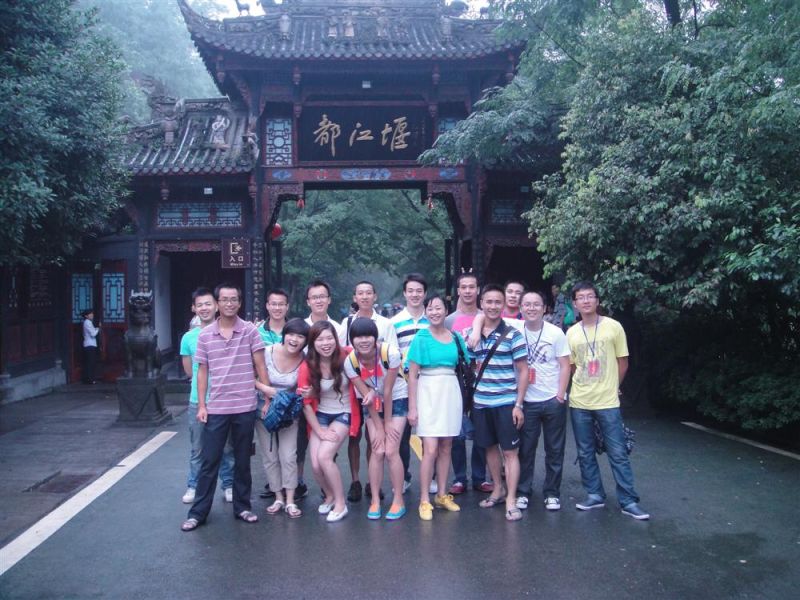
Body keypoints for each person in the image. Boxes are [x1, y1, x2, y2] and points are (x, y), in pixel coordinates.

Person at [181, 283, 268, 532]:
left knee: (242, 460)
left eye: (234, 299)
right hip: (216, 407)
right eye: (224, 299)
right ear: (218, 303)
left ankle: (242, 507)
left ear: (239, 303)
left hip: (244, 406)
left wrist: (268, 397)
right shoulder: (205, 335)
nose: (229, 303)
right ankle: (198, 513)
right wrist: (202, 405)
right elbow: (202, 372)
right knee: (209, 461)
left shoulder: (250, 331)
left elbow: (260, 365)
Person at [566, 281, 650, 520]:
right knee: (585, 452)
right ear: (575, 304)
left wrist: (613, 386)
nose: (586, 301)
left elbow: (623, 362)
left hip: (608, 401)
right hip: (580, 401)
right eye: (580, 297)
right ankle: (594, 494)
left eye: (590, 296)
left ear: (597, 300)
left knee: (618, 452)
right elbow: (572, 366)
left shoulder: (614, 327)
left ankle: (628, 500)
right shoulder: (571, 332)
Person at [463, 284, 528, 522]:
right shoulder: (472, 335)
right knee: (489, 448)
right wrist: (475, 330)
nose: (493, 306)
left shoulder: (513, 335)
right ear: (481, 304)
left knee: (510, 453)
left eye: (497, 302)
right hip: (481, 403)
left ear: (504, 305)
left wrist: (518, 405)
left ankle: (511, 498)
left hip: (506, 402)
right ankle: (498, 489)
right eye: (488, 302)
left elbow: (523, 371)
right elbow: (469, 365)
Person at [339, 280, 399, 503]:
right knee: (354, 434)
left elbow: (391, 356)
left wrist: (375, 390)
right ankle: (355, 480)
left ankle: (372, 482)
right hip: (355, 385)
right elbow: (343, 352)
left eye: (368, 293)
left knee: (372, 435)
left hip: (380, 388)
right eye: (360, 293)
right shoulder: (346, 323)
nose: (364, 297)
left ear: (375, 296)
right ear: (354, 297)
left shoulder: (385, 323)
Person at [407, 294, 465, 521]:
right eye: (430, 308)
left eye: (438, 308)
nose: (434, 312)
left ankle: (442, 494)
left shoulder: (455, 337)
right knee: (430, 448)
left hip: (450, 390)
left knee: (446, 446)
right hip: (428, 391)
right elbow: (412, 375)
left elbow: (465, 364)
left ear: (446, 310)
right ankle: (424, 499)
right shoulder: (421, 337)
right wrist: (413, 407)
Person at [344, 318, 408, 520]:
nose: (363, 341)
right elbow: (366, 396)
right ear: (352, 340)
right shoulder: (350, 362)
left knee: (391, 450)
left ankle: (398, 500)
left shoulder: (390, 353)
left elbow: (387, 391)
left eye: (368, 336)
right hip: (372, 401)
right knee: (377, 449)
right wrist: (378, 428)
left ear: (375, 337)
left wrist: (386, 423)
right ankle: (375, 501)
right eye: (358, 337)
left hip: (396, 398)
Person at [512, 290, 570, 511]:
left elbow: (565, 365)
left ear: (545, 308)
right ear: (520, 308)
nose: (531, 308)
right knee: (526, 449)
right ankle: (523, 491)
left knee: (555, 449)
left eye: (536, 304)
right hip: (527, 401)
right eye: (527, 304)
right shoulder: (515, 330)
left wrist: (560, 395)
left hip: (552, 399)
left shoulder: (556, 333)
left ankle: (552, 493)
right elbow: (484, 316)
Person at [298, 321, 360, 522]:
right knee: (316, 465)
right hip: (320, 416)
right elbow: (306, 404)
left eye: (329, 338)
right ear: (312, 343)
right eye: (320, 339)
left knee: (325, 457)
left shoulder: (347, 355)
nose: (325, 343)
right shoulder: (308, 366)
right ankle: (330, 495)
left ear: (335, 339)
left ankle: (341, 504)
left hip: (343, 413)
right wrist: (319, 431)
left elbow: (369, 353)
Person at [179, 288, 234, 505]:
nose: (204, 308)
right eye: (199, 305)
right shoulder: (188, 338)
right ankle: (194, 485)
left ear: (217, 306)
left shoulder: (228, 332)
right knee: (198, 448)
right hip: (197, 400)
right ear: (193, 308)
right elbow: (189, 371)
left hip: (223, 400)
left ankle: (228, 484)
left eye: (208, 304)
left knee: (226, 447)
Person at [254, 318, 310, 519]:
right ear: (284, 335)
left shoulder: (305, 359)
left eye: (300, 336)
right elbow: (249, 377)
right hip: (264, 410)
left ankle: (290, 499)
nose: (294, 339)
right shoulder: (266, 352)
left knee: (288, 456)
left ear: (305, 341)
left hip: (288, 413)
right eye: (291, 334)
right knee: (270, 456)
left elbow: (305, 386)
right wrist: (266, 390)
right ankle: (277, 496)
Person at [444, 272, 492, 495]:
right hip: (457, 380)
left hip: (484, 378)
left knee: (482, 428)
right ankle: (460, 478)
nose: (468, 291)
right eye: (463, 287)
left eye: (472, 287)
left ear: (478, 290)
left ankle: (480, 477)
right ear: (458, 290)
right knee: (457, 430)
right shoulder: (449, 320)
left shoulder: (487, 315)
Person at [390, 272, 430, 493]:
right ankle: (404, 475)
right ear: (405, 293)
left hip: (429, 384)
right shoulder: (394, 323)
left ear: (425, 293)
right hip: (403, 385)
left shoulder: (433, 320)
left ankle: (431, 475)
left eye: (419, 291)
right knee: (403, 434)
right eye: (411, 291)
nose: (415, 295)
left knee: (429, 432)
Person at [81, 309, 101, 384]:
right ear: (86, 316)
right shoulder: (87, 322)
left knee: (90, 362)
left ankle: (89, 379)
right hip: (90, 345)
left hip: (90, 344)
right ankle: (90, 380)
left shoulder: (88, 322)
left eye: (92, 313)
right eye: (90, 314)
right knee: (90, 363)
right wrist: (98, 328)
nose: (92, 315)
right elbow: (93, 334)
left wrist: (95, 329)